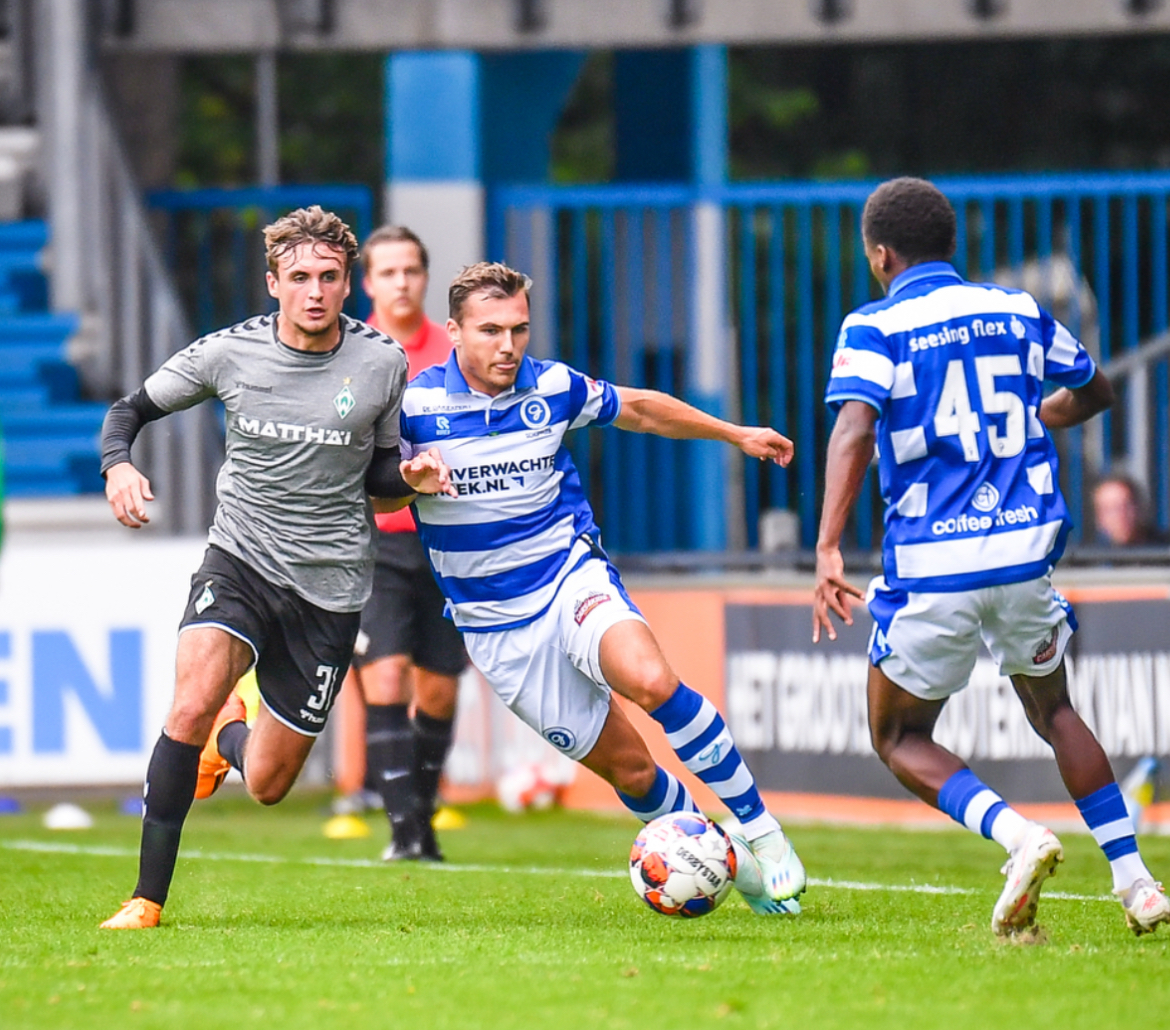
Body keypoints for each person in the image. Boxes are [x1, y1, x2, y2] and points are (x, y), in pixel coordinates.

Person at [812, 176, 1170, 937]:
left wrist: (827, 546)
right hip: (1022, 553)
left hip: (934, 565)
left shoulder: (874, 325)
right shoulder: (1017, 310)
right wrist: (1034, 416)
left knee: (897, 737)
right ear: (950, 245)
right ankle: (1137, 882)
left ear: (881, 255)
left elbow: (854, 429)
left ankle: (1019, 836)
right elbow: (1096, 391)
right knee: (1056, 711)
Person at [397, 261, 807, 915]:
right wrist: (406, 483)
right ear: (454, 332)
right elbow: (371, 490)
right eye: (490, 331)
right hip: (496, 626)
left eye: (519, 329)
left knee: (651, 680)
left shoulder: (553, 386)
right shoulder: (415, 407)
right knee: (635, 772)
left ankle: (763, 830)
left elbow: (640, 409)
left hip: (569, 576)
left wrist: (735, 433)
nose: (508, 345)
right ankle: (739, 869)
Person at [98, 206, 453, 929]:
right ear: (273, 283)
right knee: (188, 703)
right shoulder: (228, 353)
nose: (314, 291)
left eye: (328, 277)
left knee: (266, 781)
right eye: (299, 278)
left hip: (331, 588)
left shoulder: (381, 363)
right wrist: (118, 467)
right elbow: (127, 412)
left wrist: (411, 480)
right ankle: (145, 899)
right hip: (241, 559)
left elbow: (379, 478)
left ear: (348, 283)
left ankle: (229, 735)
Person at [348, 225, 468, 861]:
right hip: (375, 543)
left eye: (411, 271)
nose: (401, 282)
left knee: (440, 689)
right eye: (388, 272)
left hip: (447, 542)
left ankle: (423, 819)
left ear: (424, 278)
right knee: (386, 675)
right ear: (368, 283)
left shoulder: (454, 354)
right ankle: (403, 835)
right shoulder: (349, 350)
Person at [1091, 474, 1169, 547]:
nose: (1120, 515)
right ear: (1099, 518)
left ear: (1139, 507)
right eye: (1110, 509)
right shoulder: (1095, 554)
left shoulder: (1164, 547)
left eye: (1126, 506)